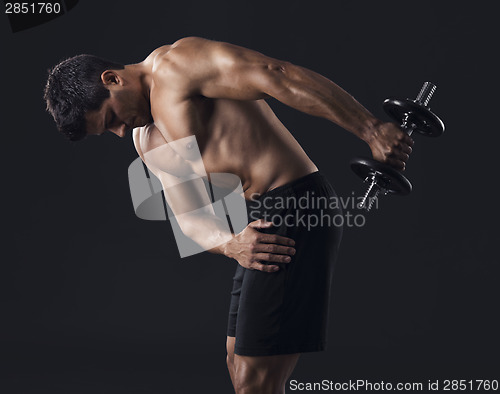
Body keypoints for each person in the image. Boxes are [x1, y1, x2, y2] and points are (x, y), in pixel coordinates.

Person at [44, 36, 413, 394]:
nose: (121, 132)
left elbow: (277, 74)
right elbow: (190, 218)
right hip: (259, 222)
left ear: (112, 79)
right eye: (108, 131)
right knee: (237, 366)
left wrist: (370, 128)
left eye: (111, 119)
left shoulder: (179, 64)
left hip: (296, 205)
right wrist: (231, 243)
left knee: (256, 381)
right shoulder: (146, 138)